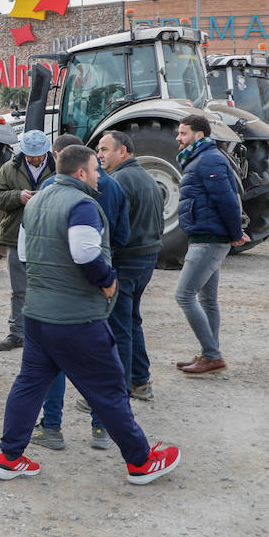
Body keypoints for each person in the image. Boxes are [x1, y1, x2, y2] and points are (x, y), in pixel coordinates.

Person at [0, 144, 181, 486]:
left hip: (37, 313)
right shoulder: (82, 204)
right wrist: (107, 281)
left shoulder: (35, 202)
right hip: (77, 318)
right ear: (80, 173)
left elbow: (24, 250)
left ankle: (9, 457)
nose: (99, 176)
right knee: (108, 389)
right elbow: (84, 253)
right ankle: (140, 461)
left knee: (30, 384)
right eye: (95, 170)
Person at [35, 134, 128, 450]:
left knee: (54, 364)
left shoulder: (47, 191)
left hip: (60, 289)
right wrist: (108, 276)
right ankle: (101, 430)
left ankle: (52, 427)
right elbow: (123, 235)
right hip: (99, 287)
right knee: (98, 365)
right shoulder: (112, 187)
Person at [173, 114, 249, 375]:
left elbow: (227, 200)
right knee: (208, 300)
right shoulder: (200, 159)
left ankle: (213, 356)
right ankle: (209, 354)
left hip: (208, 239)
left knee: (183, 295)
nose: (178, 138)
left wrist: (236, 231)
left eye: (183, 133)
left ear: (199, 135)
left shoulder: (209, 159)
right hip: (207, 236)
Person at [96, 130, 165, 400]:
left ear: (122, 152)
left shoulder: (118, 181)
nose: (99, 154)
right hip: (146, 259)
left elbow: (111, 229)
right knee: (132, 320)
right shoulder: (146, 177)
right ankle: (140, 380)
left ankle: (119, 389)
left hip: (126, 261)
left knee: (120, 327)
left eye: (104, 149)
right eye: (99, 150)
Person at [0, 130, 55, 352]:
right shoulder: (9, 168)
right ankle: (17, 333)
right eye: (31, 155)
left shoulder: (57, 167)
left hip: (49, 237)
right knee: (19, 289)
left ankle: (46, 334)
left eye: (39, 155)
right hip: (17, 235)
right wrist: (17, 196)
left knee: (47, 286)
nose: (36, 159)